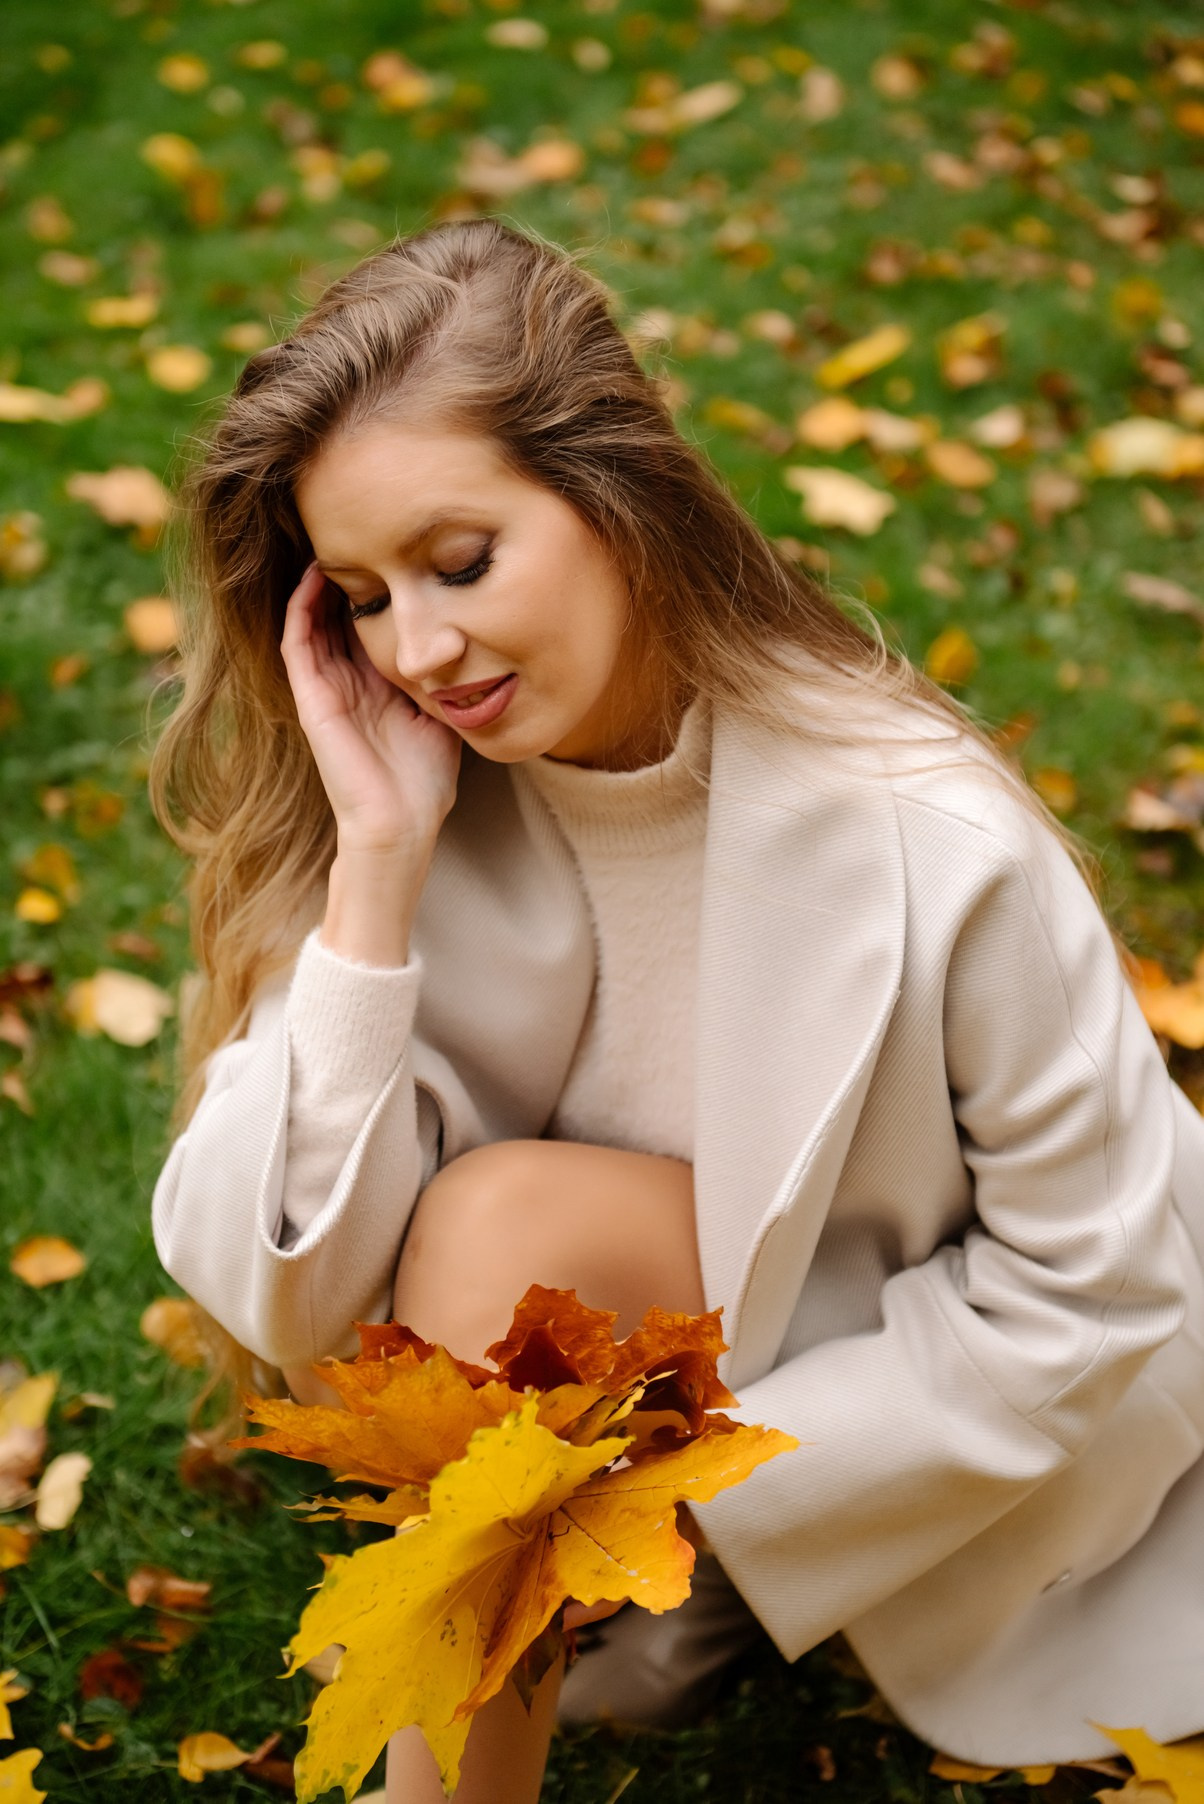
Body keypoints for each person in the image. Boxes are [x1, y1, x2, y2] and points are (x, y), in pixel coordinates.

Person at [149, 216, 1204, 1804]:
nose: (419, 651)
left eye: (461, 562)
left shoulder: (932, 836)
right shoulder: (433, 799)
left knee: (502, 1238)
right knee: (486, 1247)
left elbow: (1099, 1292)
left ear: (616, 496)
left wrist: (683, 1496)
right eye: (360, 598)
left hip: (992, 1441)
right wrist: (370, 873)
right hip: (660, 1355)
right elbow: (288, 1296)